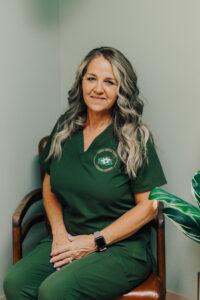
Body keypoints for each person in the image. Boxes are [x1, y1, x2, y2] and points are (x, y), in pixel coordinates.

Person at [4, 46, 167, 300]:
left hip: (121, 248)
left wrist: (95, 241)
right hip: (68, 237)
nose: (98, 88)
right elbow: (49, 181)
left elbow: (149, 206)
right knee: (15, 283)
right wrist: (58, 233)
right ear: (81, 82)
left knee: (53, 292)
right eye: (91, 78)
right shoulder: (65, 128)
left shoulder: (135, 138)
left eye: (109, 82)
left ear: (120, 90)